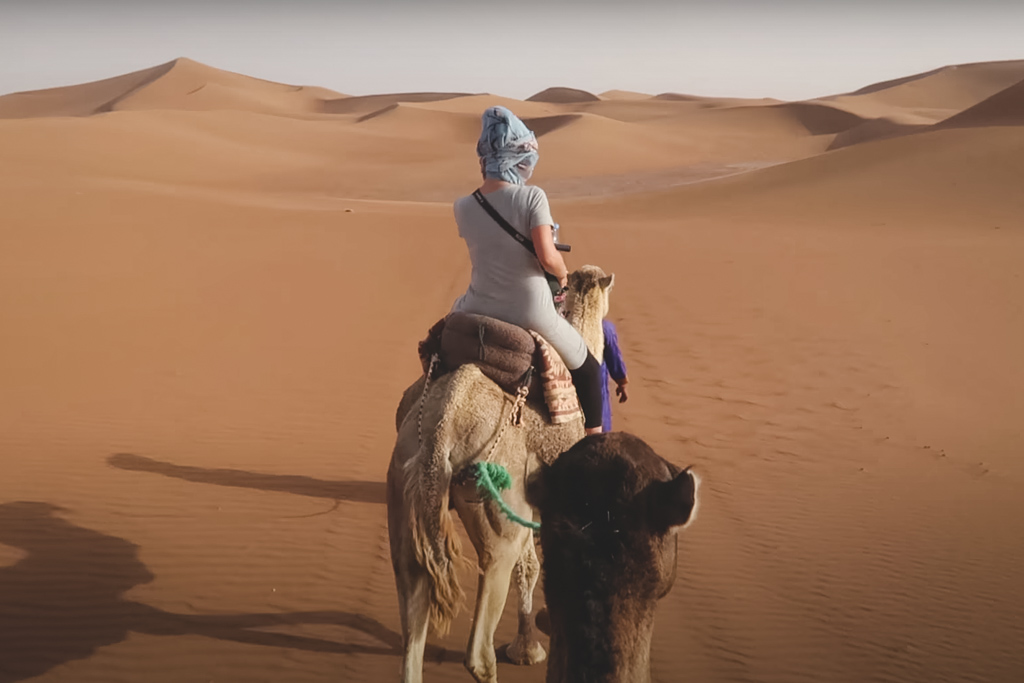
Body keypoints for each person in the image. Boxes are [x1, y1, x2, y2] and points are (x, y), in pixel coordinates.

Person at [450, 106, 604, 434]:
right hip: (528, 311)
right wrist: (562, 275)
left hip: (476, 305)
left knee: (441, 341)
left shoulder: (462, 206)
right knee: (590, 370)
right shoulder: (533, 197)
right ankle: (595, 444)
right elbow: (547, 257)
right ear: (521, 157)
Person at [600, 318, 630, 431]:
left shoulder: (560, 324)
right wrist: (622, 382)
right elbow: (614, 359)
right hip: (596, 389)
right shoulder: (605, 328)